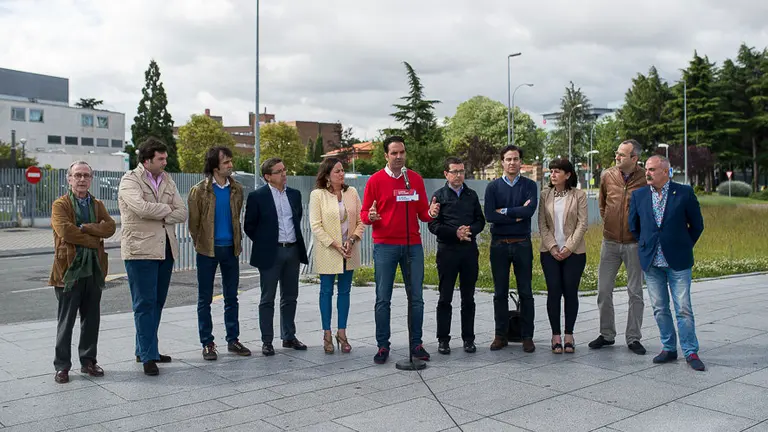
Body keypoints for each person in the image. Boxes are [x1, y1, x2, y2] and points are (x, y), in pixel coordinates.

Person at [360, 136, 440, 364]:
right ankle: (383, 346)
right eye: (394, 153)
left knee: (416, 298)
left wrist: (432, 212)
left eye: (402, 152)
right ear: (386, 156)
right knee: (383, 298)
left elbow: (423, 213)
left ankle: (416, 344)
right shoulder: (375, 181)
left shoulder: (413, 179)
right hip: (385, 245)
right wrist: (370, 217)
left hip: (412, 245)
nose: (399, 157)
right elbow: (365, 214)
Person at [629, 155, 706, 371]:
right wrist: (646, 245)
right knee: (659, 308)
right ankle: (669, 348)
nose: (647, 173)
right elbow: (634, 226)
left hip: (678, 261)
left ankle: (690, 351)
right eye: (646, 169)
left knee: (683, 308)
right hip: (652, 262)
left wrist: (683, 245)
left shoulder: (684, 193)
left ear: (666, 171)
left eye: (652, 169)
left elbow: (697, 225)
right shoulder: (639, 195)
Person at [118, 137, 187, 376]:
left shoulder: (168, 179)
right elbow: (140, 208)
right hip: (140, 250)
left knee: (157, 302)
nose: (165, 162)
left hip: (165, 248)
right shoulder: (130, 180)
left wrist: (161, 212)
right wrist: (168, 210)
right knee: (144, 304)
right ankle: (148, 356)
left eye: (165, 158)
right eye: (161, 158)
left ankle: (146, 349)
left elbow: (183, 212)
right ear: (147, 160)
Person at [49, 161, 116, 383]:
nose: (82, 179)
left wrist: (86, 227)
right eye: (77, 175)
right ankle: (62, 366)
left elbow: (110, 227)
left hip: (94, 269)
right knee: (66, 321)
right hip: (68, 271)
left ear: (91, 179)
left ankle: (88, 361)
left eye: (86, 175)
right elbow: (66, 232)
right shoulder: (60, 204)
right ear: (69, 179)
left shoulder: (96, 204)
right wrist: (94, 238)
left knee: (91, 319)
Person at [187, 146, 251, 361]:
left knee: (231, 297)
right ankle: (207, 343)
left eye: (230, 161)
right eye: (226, 162)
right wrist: (202, 243)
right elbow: (193, 224)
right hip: (207, 250)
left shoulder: (237, 189)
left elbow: (236, 216)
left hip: (231, 249)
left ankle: (233, 339)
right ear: (215, 166)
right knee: (204, 299)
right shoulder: (199, 191)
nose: (230, 165)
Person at [244, 157, 309, 356]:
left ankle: (289, 336)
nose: (284, 174)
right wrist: (265, 243)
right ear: (268, 176)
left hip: (292, 250)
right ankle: (267, 340)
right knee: (267, 298)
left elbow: (296, 219)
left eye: (284, 169)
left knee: (290, 296)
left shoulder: (295, 195)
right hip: (270, 252)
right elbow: (249, 226)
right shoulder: (257, 196)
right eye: (279, 171)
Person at [589, 139, 648, 355]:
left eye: (622, 155)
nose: (617, 157)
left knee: (635, 293)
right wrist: (610, 223)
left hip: (634, 244)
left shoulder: (645, 178)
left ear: (634, 158)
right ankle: (606, 334)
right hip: (610, 242)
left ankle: (633, 338)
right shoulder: (607, 175)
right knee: (604, 290)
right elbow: (603, 204)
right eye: (617, 153)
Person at [428, 157, 485, 355]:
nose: (459, 175)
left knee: (468, 298)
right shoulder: (439, 196)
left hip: (469, 252)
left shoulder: (471, 195)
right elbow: (433, 225)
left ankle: (468, 339)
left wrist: (470, 230)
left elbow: (481, 221)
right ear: (446, 174)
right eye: (454, 171)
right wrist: (455, 233)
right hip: (448, 252)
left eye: (461, 171)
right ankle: (443, 339)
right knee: (445, 298)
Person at [484, 145, 538, 353]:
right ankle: (501, 335)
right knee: (500, 293)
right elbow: (490, 215)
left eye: (516, 159)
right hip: (499, 245)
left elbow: (529, 211)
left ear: (520, 162)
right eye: (508, 159)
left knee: (526, 292)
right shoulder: (493, 187)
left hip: (522, 243)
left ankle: (527, 336)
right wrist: (517, 214)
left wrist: (505, 211)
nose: (512, 163)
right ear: (502, 162)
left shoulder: (530, 186)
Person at [309, 158, 365, 354]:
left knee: (345, 292)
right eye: (337, 171)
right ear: (326, 175)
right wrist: (335, 245)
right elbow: (316, 225)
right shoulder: (318, 195)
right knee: (326, 292)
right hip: (328, 251)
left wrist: (351, 240)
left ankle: (342, 333)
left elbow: (361, 220)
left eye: (342, 170)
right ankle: (326, 333)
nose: (341, 174)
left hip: (349, 250)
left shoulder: (352, 193)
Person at [537, 159, 588, 354]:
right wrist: (552, 247)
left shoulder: (579, 195)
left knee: (570, 292)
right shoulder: (545, 195)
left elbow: (582, 224)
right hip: (549, 252)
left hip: (574, 252)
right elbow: (542, 224)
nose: (553, 174)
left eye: (557, 171)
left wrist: (567, 247)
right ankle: (555, 335)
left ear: (568, 175)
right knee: (553, 291)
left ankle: (569, 335)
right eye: (551, 171)